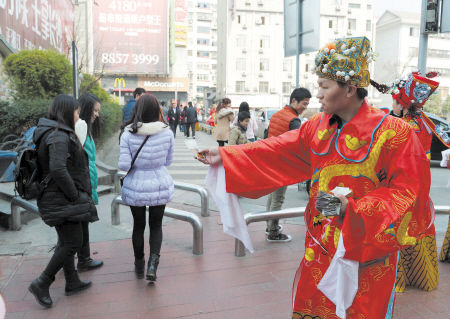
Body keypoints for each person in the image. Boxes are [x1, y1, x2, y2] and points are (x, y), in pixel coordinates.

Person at [197, 37, 433, 318]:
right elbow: (276, 150)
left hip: (367, 260)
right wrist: (227, 156)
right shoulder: (317, 128)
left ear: (349, 88)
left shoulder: (395, 133)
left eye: (324, 86)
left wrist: (352, 209)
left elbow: (408, 193)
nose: (318, 95)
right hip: (318, 251)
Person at [371, 71, 449, 292]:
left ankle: (398, 278)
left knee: (401, 222)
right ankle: (424, 275)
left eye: (394, 102)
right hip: (422, 181)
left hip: (404, 180)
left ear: (402, 104)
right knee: (419, 220)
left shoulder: (401, 126)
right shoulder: (424, 122)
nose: (392, 106)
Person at [29, 95, 97, 308]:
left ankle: (72, 281)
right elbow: (58, 169)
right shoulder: (58, 135)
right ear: (67, 112)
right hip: (61, 198)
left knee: (66, 241)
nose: (78, 116)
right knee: (73, 242)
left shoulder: (53, 131)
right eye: (76, 112)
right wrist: (74, 195)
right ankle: (42, 282)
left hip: (57, 197)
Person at [119, 94, 174, 282]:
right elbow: (168, 161)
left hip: (136, 185)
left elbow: (124, 166)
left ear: (138, 109)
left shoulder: (128, 133)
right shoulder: (167, 132)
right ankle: (153, 265)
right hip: (159, 183)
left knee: (138, 226)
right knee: (156, 225)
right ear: (157, 110)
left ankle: (139, 264)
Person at [265, 87, 311, 243]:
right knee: (278, 198)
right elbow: (300, 144)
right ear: (294, 101)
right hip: (282, 164)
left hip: (271, 160)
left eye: (307, 104)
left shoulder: (277, 115)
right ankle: (273, 232)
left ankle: (268, 225)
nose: (305, 107)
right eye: (304, 103)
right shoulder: (294, 120)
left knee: (272, 196)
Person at [74, 93, 104, 272]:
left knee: (80, 222)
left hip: (87, 180)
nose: (97, 114)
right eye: (95, 110)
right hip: (82, 182)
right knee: (80, 222)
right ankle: (82, 259)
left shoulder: (86, 129)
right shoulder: (80, 128)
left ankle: (76, 258)